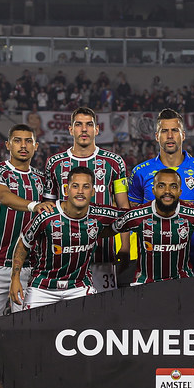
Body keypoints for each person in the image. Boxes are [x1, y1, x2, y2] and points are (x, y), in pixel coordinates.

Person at [43, 107, 130, 292]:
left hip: (103, 254)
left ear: (97, 130)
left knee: (105, 314)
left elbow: (123, 206)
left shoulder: (114, 162)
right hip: (64, 255)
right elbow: (47, 209)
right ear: (70, 130)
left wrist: (125, 245)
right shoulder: (54, 163)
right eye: (79, 125)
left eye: (89, 125)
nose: (84, 129)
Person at [9, 166, 120, 310]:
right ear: (66, 190)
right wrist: (15, 278)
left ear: (93, 192)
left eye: (86, 187)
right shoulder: (46, 215)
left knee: (91, 327)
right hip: (42, 287)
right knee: (30, 331)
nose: (80, 191)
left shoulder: (99, 214)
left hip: (79, 286)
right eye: (75, 186)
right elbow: (23, 244)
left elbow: (129, 219)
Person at [0, 124, 54, 320]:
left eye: (28, 141)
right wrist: (34, 205)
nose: (23, 145)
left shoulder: (43, 179)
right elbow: (3, 196)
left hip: (30, 266)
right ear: (8, 145)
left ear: (35, 146)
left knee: (27, 330)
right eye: (17, 140)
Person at [128, 109, 194, 276]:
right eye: (164, 131)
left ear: (183, 135)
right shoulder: (140, 172)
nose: (170, 136)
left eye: (174, 131)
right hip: (150, 266)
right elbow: (131, 218)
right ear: (157, 136)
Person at [115, 168, 194, 285]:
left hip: (183, 282)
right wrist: (124, 250)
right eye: (161, 186)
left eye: (173, 186)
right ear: (153, 190)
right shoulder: (137, 215)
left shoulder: (193, 213)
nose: (167, 191)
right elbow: (112, 227)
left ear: (180, 191)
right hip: (144, 284)